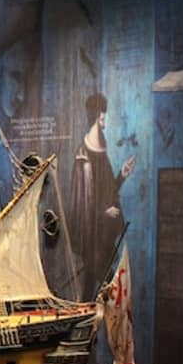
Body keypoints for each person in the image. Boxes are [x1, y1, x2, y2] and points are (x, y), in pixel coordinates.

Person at [70, 93, 135, 302]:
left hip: (104, 232)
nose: (105, 122)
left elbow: (108, 191)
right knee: (98, 277)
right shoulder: (83, 157)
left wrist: (122, 175)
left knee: (94, 281)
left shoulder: (101, 152)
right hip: (92, 233)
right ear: (97, 117)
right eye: (103, 117)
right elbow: (81, 204)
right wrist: (102, 211)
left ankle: (89, 313)